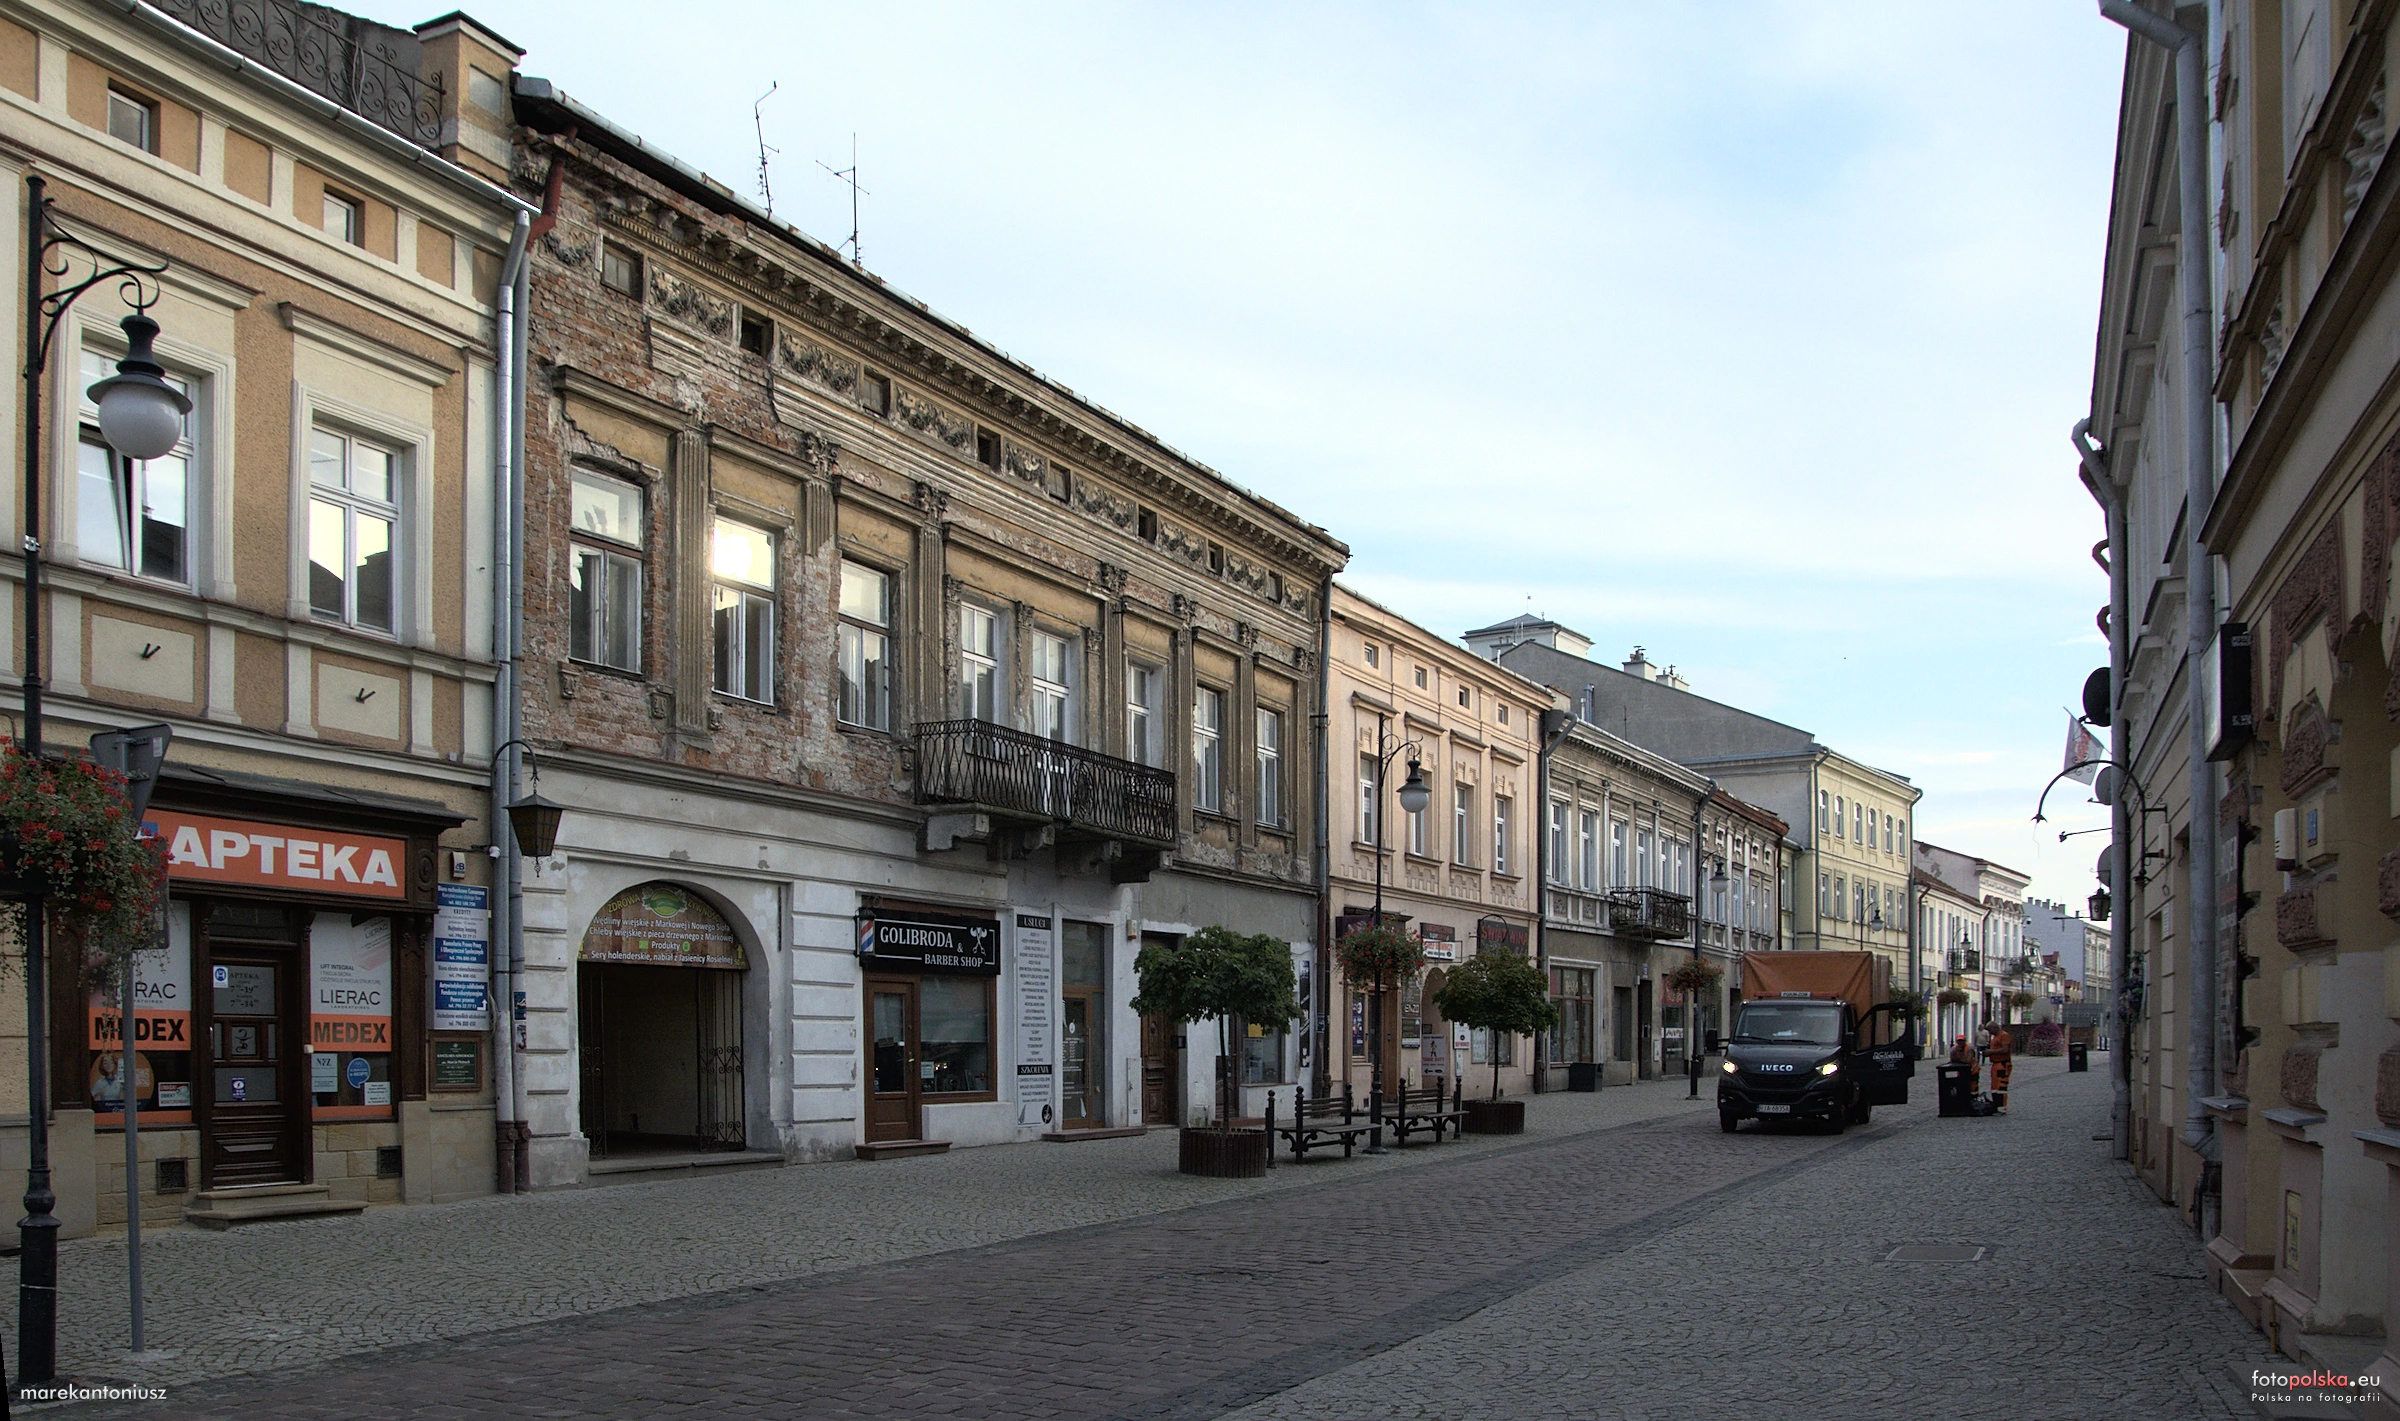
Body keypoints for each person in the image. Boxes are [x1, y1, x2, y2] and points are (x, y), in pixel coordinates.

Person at [1987, 1021, 2014, 1114]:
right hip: (1995, 1064)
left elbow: (2005, 1050)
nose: (1989, 1032)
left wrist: (1991, 1052)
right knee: (1995, 1087)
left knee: (2001, 1086)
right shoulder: (1995, 1037)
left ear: (1995, 1027)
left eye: (1990, 1030)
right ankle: (1996, 1106)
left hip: (2002, 1064)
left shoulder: (2004, 1035)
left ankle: (2002, 1107)